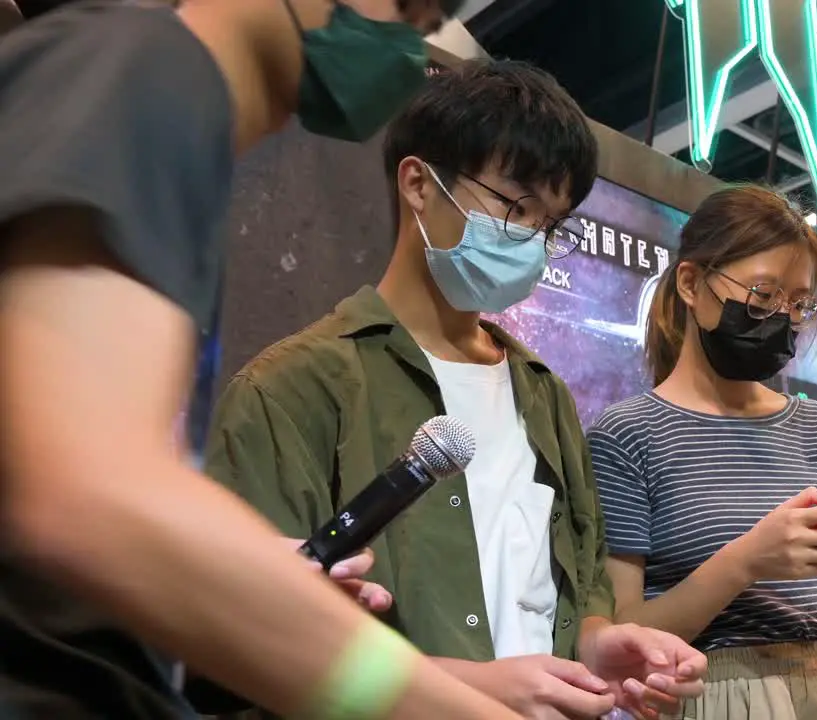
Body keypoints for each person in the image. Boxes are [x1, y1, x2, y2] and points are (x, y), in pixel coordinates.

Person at [0, 0, 521, 718]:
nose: (407, 48)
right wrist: (425, 703)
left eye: (425, 22)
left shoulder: (166, 123)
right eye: (405, 8)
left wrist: (243, 575)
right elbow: (87, 500)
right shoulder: (147, 70)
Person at [203, 59, 708, 720]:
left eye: (550, 225)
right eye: (514, 207)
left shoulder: (544, 395)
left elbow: (575, 581)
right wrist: (460, 686)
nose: (529, 240)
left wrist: (602, 643)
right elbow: (244, 638)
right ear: (419, 183)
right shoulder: (291, 388)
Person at [588, 185, 817, 720]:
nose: (782, 318)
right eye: (762, 296)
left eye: (799, 304)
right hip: (720, 695)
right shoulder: (628, 434)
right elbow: (625, 635)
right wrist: (745, 561)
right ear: (690, 283)